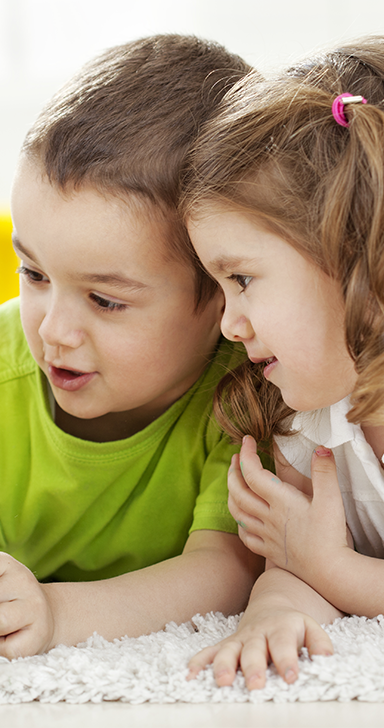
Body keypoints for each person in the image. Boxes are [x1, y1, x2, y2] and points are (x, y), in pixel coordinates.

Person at [0, 34, 262, 659]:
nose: (53, 330)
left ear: (223, 296)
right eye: (33, 274)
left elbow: (227, 572)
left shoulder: (250, 392)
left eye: (106, 300)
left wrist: (57, 612)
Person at [183, 37, 384, 689]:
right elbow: (292, 567)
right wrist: (274, 613)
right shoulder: (312, 416)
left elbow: (317, 563)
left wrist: (334, 569)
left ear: (356, 258)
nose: (228, 325)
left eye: (241, 279)